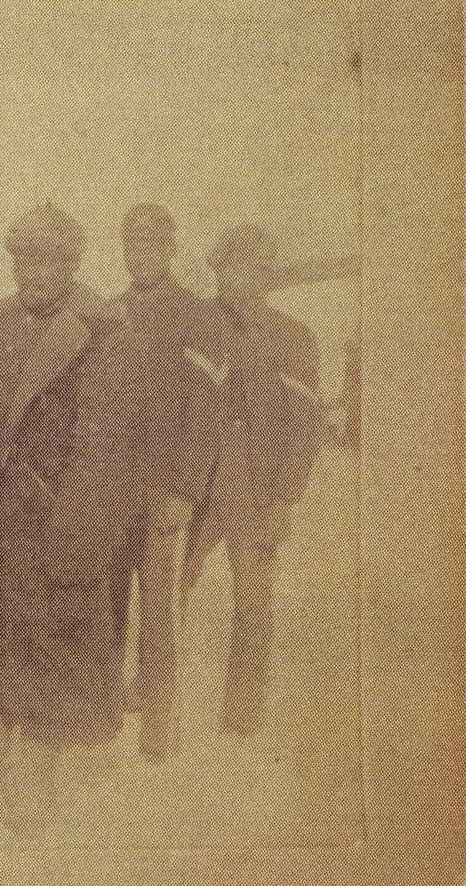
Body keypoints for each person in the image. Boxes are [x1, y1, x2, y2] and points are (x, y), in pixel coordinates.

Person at [0, 202, 151, 833]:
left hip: (59, 519)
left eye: (45, 260)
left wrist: (77, 534)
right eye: (21, 259)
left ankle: (34, 770)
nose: (31, 273)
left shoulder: (107, 336)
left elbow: (108, 449)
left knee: (51, 641)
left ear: (71, 262)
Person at [182, 224, 323, 739]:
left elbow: (305, 427)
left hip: (255, 486)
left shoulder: (293, 336)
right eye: (229, 266)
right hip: (192, 482)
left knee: (253, 599)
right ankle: (160, 705)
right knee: (172, 588)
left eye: (254, 267)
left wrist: (283, 500)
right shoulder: (196, 327)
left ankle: (242, 718)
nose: (239, 277)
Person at [111, 202, 220, 758]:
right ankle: (100, 707)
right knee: (107, 597)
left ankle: (160, 719)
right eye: (132, 244)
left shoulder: (196, 314)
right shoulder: (114, 311)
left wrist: (185, 488)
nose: (140, 254)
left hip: (166, 487)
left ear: (170, 249)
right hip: (115, 485)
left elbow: (208, 409)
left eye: (151, 244)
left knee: (159, 603)